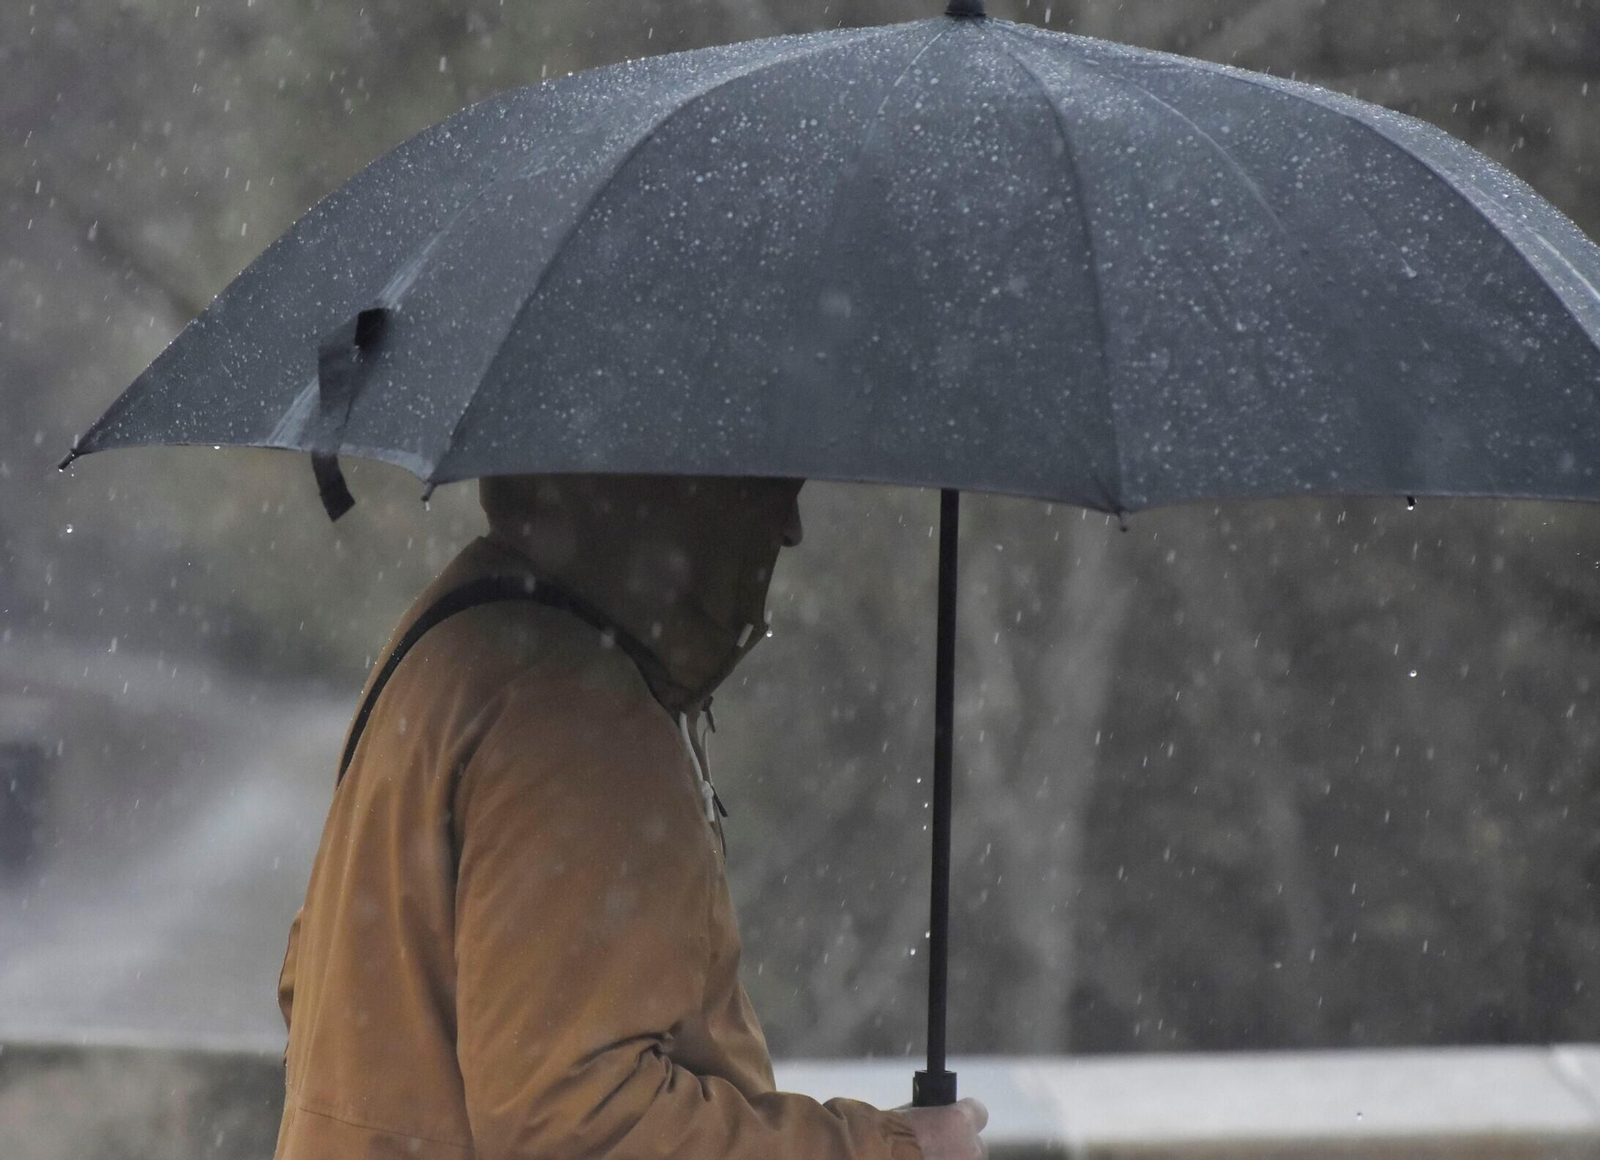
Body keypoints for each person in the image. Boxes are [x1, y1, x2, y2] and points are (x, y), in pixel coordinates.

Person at [272, 473, 988, 1160]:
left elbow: (323, 988)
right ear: (677, 489)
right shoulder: (579, 712)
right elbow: (574, 1123)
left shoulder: (453, 638)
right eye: (769, 486)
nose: (792, 528)